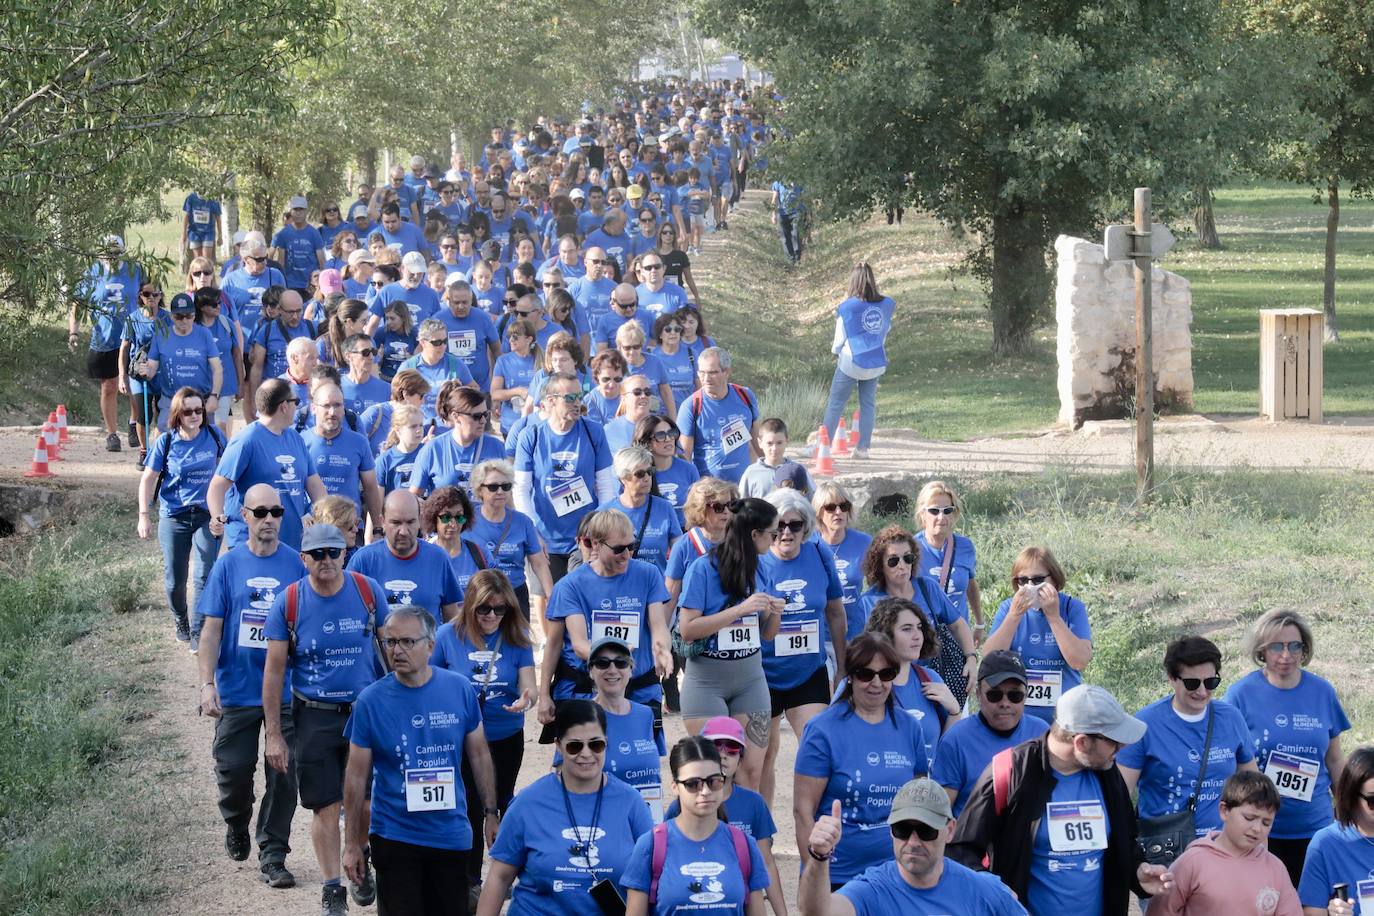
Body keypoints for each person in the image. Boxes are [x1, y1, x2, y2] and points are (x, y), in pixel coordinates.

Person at [949, 683, 1176, 915]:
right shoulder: (1009, 771)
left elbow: (1125, 840)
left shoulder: (1108, 772)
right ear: (1081, 743)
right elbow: (961, 850)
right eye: (1114, 740)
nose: (1122, 746)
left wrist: (1138, 871)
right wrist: (989, 885)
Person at [261, 523, 390, 914]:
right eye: (318, 554)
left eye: (334, 552)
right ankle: (333, 888)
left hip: (364, 714)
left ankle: (361, 855)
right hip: (314, 715)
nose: (327, 560)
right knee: (325, 807)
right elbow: (274, 671)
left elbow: (391, 648)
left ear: (345, 553)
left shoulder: (368, 592)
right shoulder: (290, 601)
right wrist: (273, 735)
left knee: (365, 805)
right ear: (304, 559)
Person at [341, 606, 500, 916]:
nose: (396, 650)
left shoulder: (459, 690)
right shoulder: (370, 701)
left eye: (407, 642)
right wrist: (351, 844)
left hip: (450, 836)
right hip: (395, 835)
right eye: (390, 642)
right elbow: (356, 775)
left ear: (430, 645)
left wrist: (491, 812)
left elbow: (479, 755)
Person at [196, 483, 305, 889]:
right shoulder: (229, 565)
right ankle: (237, 819)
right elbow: (211, 630)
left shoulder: (297, 566)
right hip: (238, 689)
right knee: (233, 769)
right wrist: (207, 684)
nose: (269, 520)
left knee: (284, 773)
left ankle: (273, 853)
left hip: (287, 691)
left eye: (276, 512)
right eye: (260, 512)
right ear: (244, 516)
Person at [478, 700, 654, 915]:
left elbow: (652, 874)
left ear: (607, 743)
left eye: (596, 744)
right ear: (559, 746)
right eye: (575, 746)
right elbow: (500, 876)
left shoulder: (631, 802)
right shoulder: (528, 803)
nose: (586, 753)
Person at [793, 633, 930, 890]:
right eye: (866, 674)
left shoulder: (910, 727)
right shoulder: (823, 730)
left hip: (895, 874)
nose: (876, 683)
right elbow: (803, 812)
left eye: (886, 673)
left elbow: (919, 800)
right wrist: (814, 874)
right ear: (851, 676)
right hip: (838, 876)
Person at [430, 568, 536, 900]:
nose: (492, 616)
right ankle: (471, 881)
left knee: (502, 803)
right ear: (470, 605)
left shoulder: (515, 636)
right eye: (484, 609)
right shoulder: (447, 636)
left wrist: (527, 698)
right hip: (461, 740)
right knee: (471, 806)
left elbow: (529, 682)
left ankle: (503, 876)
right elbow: (429, 681)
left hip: (505, 736)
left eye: (500, 609)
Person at [1228, 609, 1349, 887]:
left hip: (1315, 827)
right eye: (1276, 646)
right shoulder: (1240, 695)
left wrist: (1348, 806)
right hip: (1260, 829)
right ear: (1261, 650)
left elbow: (1334, 760)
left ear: (1304, 649)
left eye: (1295, 646)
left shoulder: (1322, 692)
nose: (1286, 655)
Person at [799, 777, 1027, 916]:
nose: (913, 842)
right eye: (903, 830)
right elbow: (816, 913)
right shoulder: (872, 890)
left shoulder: (984, 891)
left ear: (949, 830)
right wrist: (819, 857)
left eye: (926, 831)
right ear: (890, 830)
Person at [677, 497, 785, 791]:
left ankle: (746, 836)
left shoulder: (764, 568)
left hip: (750, 679)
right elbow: (687, 629)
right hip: (707, 681)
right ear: (754, 535)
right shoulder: (703, 569)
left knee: (751, 772)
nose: (777, 539)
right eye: (772, 533)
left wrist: (775, 612)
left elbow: (767, 635)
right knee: (714, 772)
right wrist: (739, 610)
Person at [539, 509, 673, 736]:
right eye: (619, 549)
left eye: (631, 546)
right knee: (583, 763)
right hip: (587, 690)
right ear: (596, 544)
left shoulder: (648, 574)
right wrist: (544, 694)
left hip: (638, 688)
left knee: (637, 766)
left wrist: (662, 649)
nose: (627, 555)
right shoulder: (571, 585)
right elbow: (577, 645)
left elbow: (659, 625)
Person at [1118, 636, 1259, 840]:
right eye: (1192, 683)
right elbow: (1120, 795)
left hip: (1221, 846)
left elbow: (1254, 788)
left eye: (1211, 682)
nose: (1202, 691)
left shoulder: (1231, 718)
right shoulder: (1144, 724)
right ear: (1172, 678)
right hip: (1166, 850)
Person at [759, 488, 848, 807]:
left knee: (818, 750)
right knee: (763, 759)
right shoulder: (757, 560)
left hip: (807, 670)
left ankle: (817, 832)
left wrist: (841, 666)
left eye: (794, 525)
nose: (786, 532)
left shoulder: (820, 554)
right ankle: (762, 843)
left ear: (806, 527)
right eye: (779, 525)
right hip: (764, 674)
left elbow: (836, 613)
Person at [622, 736, 771, 915]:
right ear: (675, 787)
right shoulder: (650, 845)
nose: (705, 791)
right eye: (693, 784)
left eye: (714, 781)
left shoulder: (744, 844)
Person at [661, 718, 787, 916]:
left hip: (737, 900)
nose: (723, 753)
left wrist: (782, 913)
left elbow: (766, 861)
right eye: (715, 745)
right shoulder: (681, 806)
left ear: (741, 758)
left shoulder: (753, 803)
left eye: (733, 748)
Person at [137, 386, 225, 644]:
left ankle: (198, 633)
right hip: (174, 516)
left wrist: (223, 512)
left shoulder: (215, 436)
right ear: (177, 413)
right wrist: (144, 515)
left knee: (204, 574)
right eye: (188, 412)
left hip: (206, 515)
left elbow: (228, 473)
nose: (195, 415)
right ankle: (180, 618)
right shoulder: (165, 442)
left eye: (199, 410)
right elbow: (147, 480)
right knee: (175, 579)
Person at [1150, 770, 1302, 916]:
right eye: (1249, 818)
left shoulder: (1276, 869)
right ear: (1224, 811)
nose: (1257, 828)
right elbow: (1161, 911)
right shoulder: (1191, 863)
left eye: (1266, 822)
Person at [513, 371, 616, 580]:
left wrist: (597, 528)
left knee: (580, 602)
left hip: (585, 538)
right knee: (550, 605)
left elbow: (605, 484)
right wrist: (532, 532)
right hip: (544, 537)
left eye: (580, 396)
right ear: (550, 401)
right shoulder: (530, 436)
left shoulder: (593, 431)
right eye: (570, 398)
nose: (577, 402)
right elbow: (521, 488)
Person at [207, 378, 328, 551]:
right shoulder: (246, 441)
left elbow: (315, 485)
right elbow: (217, 487)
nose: (298, 407)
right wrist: (216, 518)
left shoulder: (295, 439)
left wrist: (323, 516)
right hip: (252, 546)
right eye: (296, 401)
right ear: (284, 406)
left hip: (292, 544)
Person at [932, 650, 1048, 816]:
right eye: (995, 695)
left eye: (1015, 695)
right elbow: (939, 814)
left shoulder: (1041, 733)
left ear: (1026, 695)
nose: (1005, 703)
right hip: (972, 838)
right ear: (979, 694)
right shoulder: (956, 740)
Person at [984, 545, 1093, 722]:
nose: (1030, 586)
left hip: (1064, 717)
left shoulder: (1072, 608)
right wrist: (1014, 616)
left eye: (1038, 580)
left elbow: (1079, 661)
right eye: (1023, 581)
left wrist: (1054, 617)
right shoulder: (1008, 608)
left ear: (1054, 580)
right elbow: (990, 659)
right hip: (1019, 717)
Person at [862, 597, 961, 764]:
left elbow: (945, 752)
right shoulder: (862, 681)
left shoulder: (931, 679)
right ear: (884, 634)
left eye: (919, 628)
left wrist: (954, 712)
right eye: (907, 629)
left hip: (926, 787)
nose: (917, 636)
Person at [70, 236, 143, 451]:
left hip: (132, 336)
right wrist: (73, 332)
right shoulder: (92, 272)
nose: (111, 256)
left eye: (115, 252)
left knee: (133, 384)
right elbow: (77, 303)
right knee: (109, 385)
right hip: (105, 338)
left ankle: (133, 423)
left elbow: (148, 295)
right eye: (107, 252)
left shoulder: (134, 270)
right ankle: (112, 433)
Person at [346, 490, 462, 621]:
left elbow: (452, 618)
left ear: (420, 521)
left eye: (410, 522)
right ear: (382, 521)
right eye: (396, 523)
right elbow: (347, 613)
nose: (403, 531)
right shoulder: (363, 561)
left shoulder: (439, 559)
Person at [588, 636, 668, 821]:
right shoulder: (581, 718)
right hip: (603, 822)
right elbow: (564, 780)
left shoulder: (649, 715)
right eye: (602, 663)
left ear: (631, 670)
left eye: (621, 663)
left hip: (649, 823)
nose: (612, 669)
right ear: (591, 671)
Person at [819, 262, 894, 459]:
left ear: (853, 282)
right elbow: (884, 331)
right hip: (875, 361)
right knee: (868, 404)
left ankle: (822, 445)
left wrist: (837, 351)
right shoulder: (885, 306)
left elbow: (839, 340)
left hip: (851, 362)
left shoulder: (847, 308)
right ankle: (863, 448)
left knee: (836, 403)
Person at [914, 481, 985, 678]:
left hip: (956, 639)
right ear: (922, 513)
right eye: (934, 510)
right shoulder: (910, 549)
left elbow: (970, 585)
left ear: (955, 513)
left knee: (956, 701)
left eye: (947, 510)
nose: (941, 517)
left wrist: (979, 622)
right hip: (921, 641)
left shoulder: (965, 547)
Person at [467, 459, 552, 619]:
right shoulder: (468, 522)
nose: (500, 491)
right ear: (480, 490)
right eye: (493, 487)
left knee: (518, 642)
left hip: (514, 595)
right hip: (480, 596)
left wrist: (551, 596)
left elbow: (539, 563)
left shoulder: (523, 522)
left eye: (506, 486)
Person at [300, 383, 383, 542]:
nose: (332, 412)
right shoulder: (300, 441)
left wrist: (377, 529)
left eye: (337, 405)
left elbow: (371, 487)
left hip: (351, 530)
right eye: (326, 406)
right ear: (313, 408)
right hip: (314, 530)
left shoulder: (359, 442)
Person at [1297, 746, 1374, 916]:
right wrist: (1332, 913)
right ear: (1352, 798)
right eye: (1372, 800)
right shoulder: (1326, 843)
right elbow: (1312, 911)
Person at [677, 347, 760, 485]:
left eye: (712, 372)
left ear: (726, 372)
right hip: (710, 489)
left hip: (743, 485)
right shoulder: (691, 406)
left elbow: (758, 442)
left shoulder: (745, 395)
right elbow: (684, 456)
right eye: (701, 373)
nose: (706, 379)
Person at [144, 292, 224, 432]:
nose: (184, 320)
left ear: (194, 315)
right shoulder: (161, 335)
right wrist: (144, 371)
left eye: (189, 316)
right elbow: (151, 368)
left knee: (203, 441)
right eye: (179, 317)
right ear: (171, 316)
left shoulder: (204, 334)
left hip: (200, 402)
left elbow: (217, 368)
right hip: (171, 401)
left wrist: (214, 396)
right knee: (168, 440)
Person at [407, 383, 505, 496]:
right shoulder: (432, 449)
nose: (483, 420)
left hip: (485, 514)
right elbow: (414, 497)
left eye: (485, 414)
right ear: (456, 417)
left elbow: (507, 495)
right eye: (477, 416)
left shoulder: (496, 446)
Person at [601, 445, 682, 573]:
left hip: (656, 587)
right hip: (619, 587)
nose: (647, 478)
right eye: (640, 474)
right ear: (623, 478)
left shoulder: (664, 507)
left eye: (650, 471)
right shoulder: (605, 513)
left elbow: (679, 551)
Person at [811, 482, 871, 642]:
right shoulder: (808, 545)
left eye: (843, 506)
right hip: (819, 636)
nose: (838, 512)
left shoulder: (864, 542)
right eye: (831, 507)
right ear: (818, 512)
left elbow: (879, 584)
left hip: (856, 634)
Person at [423, 485, 496, 601]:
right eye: (446, 517)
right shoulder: (422, 555)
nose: (453, 524)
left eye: (459, 517)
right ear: (433, 518)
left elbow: (495, 596)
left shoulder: (482, 555)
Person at [398, 318, 477, 423]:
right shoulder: (408, 367)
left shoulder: (455, 364)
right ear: (423, 342)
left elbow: (475, 389)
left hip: (448, 427)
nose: (443, 346)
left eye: (445, 341)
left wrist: (462, 392)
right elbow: (395, 401)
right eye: (437, 342)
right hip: (417, 426)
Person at [637, 413, 699, 528]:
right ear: (647, 443)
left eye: (671, 433)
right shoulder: (639, 473)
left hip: (685, 534)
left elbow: (699, 510)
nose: (668, 439)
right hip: (652, 535)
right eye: (660, 435)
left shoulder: (689, 469)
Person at [491, 317, 540, 436]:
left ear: (529, 339)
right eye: (509, 336)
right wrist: (518, 391)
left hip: (536, 424)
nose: (511, 340)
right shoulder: (503, 361)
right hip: (510, 425)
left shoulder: (542, 361)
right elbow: (495, 394)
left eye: (515, 337)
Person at [740, 418, 812, 499]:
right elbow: (742, 504)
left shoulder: (798, 471)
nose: (774, 448)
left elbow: (812, 501)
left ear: (787, 442)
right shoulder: (751, 473)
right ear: (760, 443)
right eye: (769, 443)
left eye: (779, 443)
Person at [272, 196, 327, 296]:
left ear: (306, 211)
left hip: (311, 285)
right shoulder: (284, 234)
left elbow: (322, 261)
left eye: (301, 209)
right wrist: (282, 284)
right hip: (290, 284)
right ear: (291, 211)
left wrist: (322, 283)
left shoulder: (314, 233)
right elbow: (281, 262)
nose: (298, 213)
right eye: (295, 209)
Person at [373, 403, 424, 495]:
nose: (418, 430)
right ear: (398, 430)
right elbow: (377, 503)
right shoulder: (384, 460)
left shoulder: (429, 453)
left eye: (421, 425)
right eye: (413, 426)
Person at [605, 373, 655, 453]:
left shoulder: (661, 425)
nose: (643, 395)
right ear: (624, 398)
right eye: (637, 392)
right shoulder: (609, 430)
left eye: (647, 392)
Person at [769, 180, 804, 264]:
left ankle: (797, 257)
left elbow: (804, 198)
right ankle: (790, 259)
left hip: (796, 212)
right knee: (785, 237)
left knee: (796, 234)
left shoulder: (799, 180)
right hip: (783, 213)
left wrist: (806, 213)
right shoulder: (778, 182)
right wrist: (773, 214)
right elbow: (774, 199)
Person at [182, 192, 222, 261]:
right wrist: (184, 234)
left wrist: (220, 236)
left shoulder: (213, 200)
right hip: (194, 233)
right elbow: (186, 217)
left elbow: (218, 219)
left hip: (208, 233)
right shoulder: (191, 198)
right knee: (198, 260)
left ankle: (207, 271)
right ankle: (199, 271)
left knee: (206, 259)